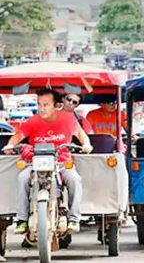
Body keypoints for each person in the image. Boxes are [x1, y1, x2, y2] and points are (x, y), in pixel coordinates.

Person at [3, 89, 93, 234]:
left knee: (75, 179)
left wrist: (86, 145)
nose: (41, 108)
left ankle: (74, 218)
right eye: (39, 104)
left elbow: (82, 135)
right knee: (22, 178)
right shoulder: (33, 121)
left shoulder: (68, 119)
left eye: (46, 105)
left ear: (57, 105)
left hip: (62, 163)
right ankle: (21, 219)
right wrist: (10, 145)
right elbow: (18, 136)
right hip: (35, 163)